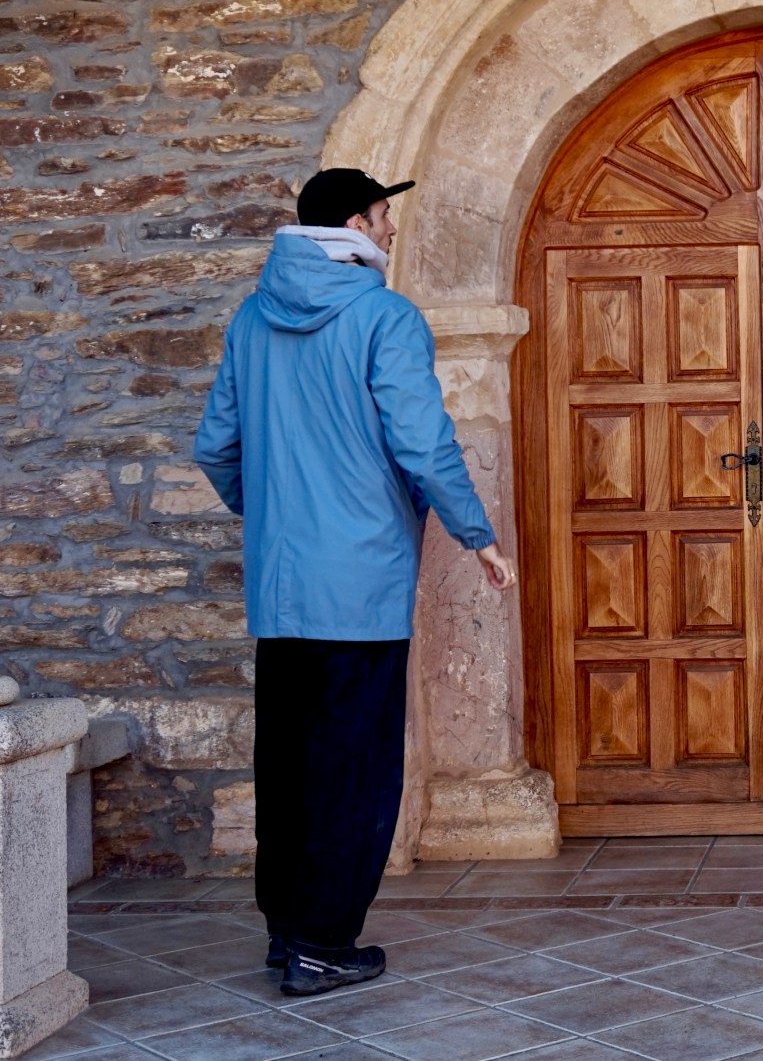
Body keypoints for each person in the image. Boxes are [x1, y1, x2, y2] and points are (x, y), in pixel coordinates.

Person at [194, 166, 516, 998]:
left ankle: (287, 931)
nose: (392, 229)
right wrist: (475, 531)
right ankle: (325, 943)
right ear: (352, 225)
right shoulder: (383, 316)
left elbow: (216, 448)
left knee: (291, 764)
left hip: (282, 588)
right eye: (383, 215)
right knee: (355, 764)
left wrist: (272, 516)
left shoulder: (251, 321)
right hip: (361, 587)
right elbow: (422, 440)